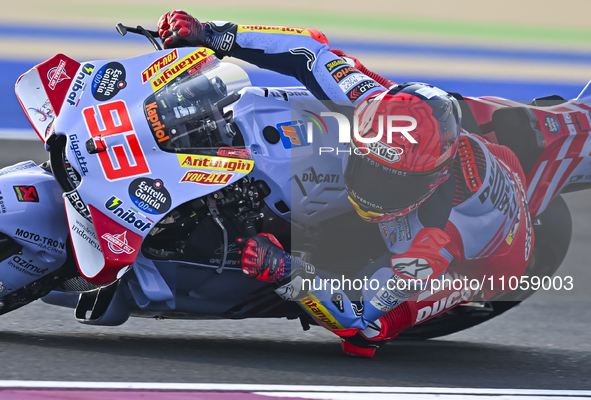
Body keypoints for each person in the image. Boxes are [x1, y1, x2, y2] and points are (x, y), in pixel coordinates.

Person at [157, 11, 533, 357]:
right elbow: (307, 50)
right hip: (466, 146)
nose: (372, 187)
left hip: (491, 257)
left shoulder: (432, 241)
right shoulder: (373, 103)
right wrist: (210, 34)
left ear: (432, 182)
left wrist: (287, 270)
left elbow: (358, 318)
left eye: (391, 182)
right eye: (369, 167)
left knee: (373, 330)